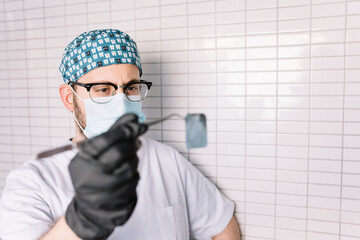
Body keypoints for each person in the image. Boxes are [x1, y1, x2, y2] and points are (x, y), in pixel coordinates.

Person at [0, 29, 240, 240]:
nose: (122, 102)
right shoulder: (32, 182)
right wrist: (82, 220)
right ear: (68, 98)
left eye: (131, 87)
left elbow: (221, 225)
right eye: (103, 89)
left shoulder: (168, 160)